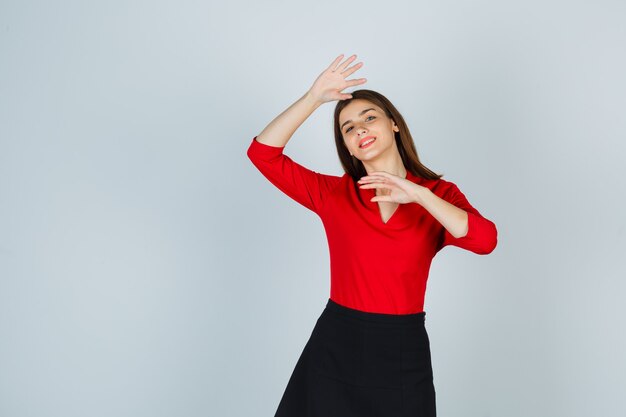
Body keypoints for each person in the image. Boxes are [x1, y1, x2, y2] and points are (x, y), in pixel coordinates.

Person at [247, 53, 498, 417]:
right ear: (347, 147)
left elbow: (485, 241)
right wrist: (314, 98)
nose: (360, 129)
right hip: (335, 347)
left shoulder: (438, 196)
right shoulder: (333, 194)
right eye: (348, 128)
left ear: (393, 124)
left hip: (402, 353)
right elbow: (263, 154)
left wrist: (420, 196)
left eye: (369, 118)